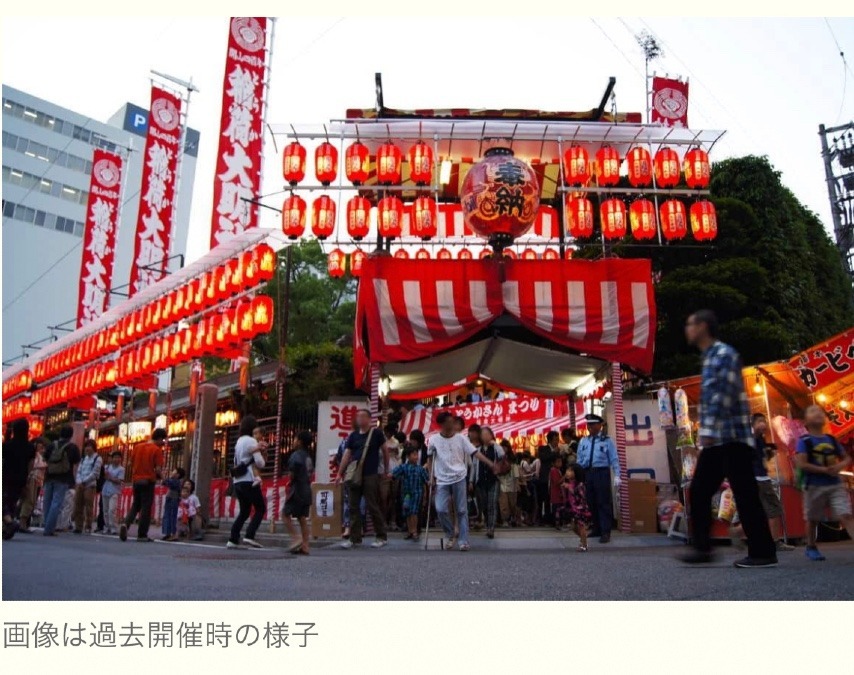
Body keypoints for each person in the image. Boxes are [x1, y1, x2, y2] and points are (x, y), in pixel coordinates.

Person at [682, 309, 777, 567]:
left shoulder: (722, 354)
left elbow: (721, 397)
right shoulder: (711, 356)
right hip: (723, 440)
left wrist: (707, 435)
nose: (687, 329)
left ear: (703, 326)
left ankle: (762, 552)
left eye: (691, 324)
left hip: (730, 439)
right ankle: (703, 548)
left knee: (743, 495)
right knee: (701, 491)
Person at [427, 411, 498, 552]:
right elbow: (430, 459)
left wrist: (490, 463)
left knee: (461, 510)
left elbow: (475, 453)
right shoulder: (434, 440)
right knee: (440, 508)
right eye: (448, 422)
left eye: (452, 421)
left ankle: (463, 540)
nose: (452, 424)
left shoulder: (461, 438)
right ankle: (449, 533)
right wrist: (431, 476)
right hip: (442, 479)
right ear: (442, 425)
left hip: (459, 477)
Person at [795, 405, 854, 562]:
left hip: (835, 484)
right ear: (805, 421)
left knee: (846, 514)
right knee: (812, 518)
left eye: (821, 412)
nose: (818, 414)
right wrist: (824, 470)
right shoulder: (804, 441)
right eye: (813, 411)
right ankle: (811, 546)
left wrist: (838, 467)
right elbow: (802, 463)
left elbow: (847, 458)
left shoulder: (831, 440)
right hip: (813, 485)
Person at [731, 414, 795, 552]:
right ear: (752, 425)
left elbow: (761, 455)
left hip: (760, 478)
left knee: (761, 511)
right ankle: (775, 542)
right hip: (759, 479)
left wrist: (768, 451)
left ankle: (738, 530)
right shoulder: (751, 438)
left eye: (764, 421)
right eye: (760, 421)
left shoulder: (760, 439)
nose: (764, 424)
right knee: (774, 509)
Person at [334, 409, 391, 549]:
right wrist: (339, 473)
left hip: (370, 474)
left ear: (369, 418)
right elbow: (347, 454)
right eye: (358, 416)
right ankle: (354, 538)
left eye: (363, 416)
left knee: (372, 505)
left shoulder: (376, 433)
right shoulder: (353, 436)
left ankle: (381, 536)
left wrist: (386, 469)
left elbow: (385, 450)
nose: (360, 419)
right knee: (353, 505)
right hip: (354, 474)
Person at [576, 414, 622, 543]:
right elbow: (579, 459)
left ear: (599, 425)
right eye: (588, 424)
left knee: (603, 502)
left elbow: (614, 459)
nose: (589, 427)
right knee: (591, 502)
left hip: (601, 472)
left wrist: (617, 475)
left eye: (592, 424)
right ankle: (596, 528)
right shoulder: (584, 441)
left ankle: (605, 531)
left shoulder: (607, 441)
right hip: (588, 473)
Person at [227, 415, 268, 549]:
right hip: (249, 479)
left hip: (238, 480)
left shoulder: (239, 441)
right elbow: (260, 463)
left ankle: (233, 538)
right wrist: (264, 454)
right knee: (261, 508)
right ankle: (249, 535)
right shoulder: (251, 441)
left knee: (244, 511)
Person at [119, 428, 166, 543]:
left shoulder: (137, 447)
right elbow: (158, 469)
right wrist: (165, 479)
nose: (163, 443)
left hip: (136, 480)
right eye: (163, 440)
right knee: (146, 507)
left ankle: (126, 524)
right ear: (159, 438)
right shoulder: (156, 450)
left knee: (136, 505)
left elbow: (131, 463)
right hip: (148, 481)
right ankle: (142, 534)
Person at [42, 426, 81, 537]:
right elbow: (76, 463)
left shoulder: (51, 445)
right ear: (71, 435)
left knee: (47, 502)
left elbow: (45, 458)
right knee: (56, 503)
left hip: (49, 476)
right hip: (64, 478)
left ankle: (46, 525)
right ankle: (49, 529)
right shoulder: (72, 447)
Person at [2, 419, 35, 540]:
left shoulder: (7, 445)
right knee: (11, 502)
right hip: (21, 478)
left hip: (6, 476)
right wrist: (27, 477)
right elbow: (30, 465)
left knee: (4, 500)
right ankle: (7, 527)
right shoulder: (30, 447)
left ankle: (10, 523)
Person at [284, 431, 314, 555]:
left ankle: (296, 538)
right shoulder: (308, 456)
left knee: (285, 514)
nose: (293, 441)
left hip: (297, 489)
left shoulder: (296, 455)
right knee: (302, 518)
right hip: (306, 488)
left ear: (300, 442)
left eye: (295, 439)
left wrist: (290, 480)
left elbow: (292, 473)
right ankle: (305, 546)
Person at [471, 426, 503, 538]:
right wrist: (471, 480)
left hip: (493, 480)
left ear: (491, 435)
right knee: (483, 505)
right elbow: (474, 466)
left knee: (492, 504)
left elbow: (502, 454)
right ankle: (487, 524)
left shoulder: (495, 448)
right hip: (480, 482)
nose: (485, 436)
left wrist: (495, 443)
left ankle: (491, 528)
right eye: (483, 434)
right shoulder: (478, 450)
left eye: (487, 434)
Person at [393, 445, 429, 540]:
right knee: (407, 512)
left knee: (414, 512)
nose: (416, 457)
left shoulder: (420, 469)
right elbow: (394, 473)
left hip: (417, 493)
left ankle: (414, 531)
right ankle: (410, 530)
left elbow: (427, 480)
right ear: (408, 456)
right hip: (406, 494)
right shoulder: (404, 467)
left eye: (417, 454)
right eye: (414, 455)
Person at [559, 463, 592, 552]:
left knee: (581, 526)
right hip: (573, 508)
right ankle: (583, 539)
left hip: (580, 509)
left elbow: (581, 496)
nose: (567, 473)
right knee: (574, 527)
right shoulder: (570, 483)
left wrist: (569, 488)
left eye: (570, 471)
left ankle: (584, 545)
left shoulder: (580, 485)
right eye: (567, 470)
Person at [72, 439, 102, 534]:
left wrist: (84, 481)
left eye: (89, 446)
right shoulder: (83, 459)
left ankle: (88, 525)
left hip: (90, 485)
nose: (87, 448)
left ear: (93, 448)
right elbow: (79, 471)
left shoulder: (97, 458)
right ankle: (78, 526)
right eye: (86, 446)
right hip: (80, 484)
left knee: (88, 506)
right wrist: (79, 481)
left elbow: (95, 473)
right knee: (78, 505)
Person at [18, 437, 48, 533]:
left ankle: (23, 522)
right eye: (40, 445)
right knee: (29, 500)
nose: (42, 447)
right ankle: (22, 522)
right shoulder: (34, 454)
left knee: (32, 500)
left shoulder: (40, 455)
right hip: (32, 477)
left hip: (38, 479)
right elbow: (34, 465)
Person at [536, 431, 560, 525]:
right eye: (555, 440)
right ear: (550, 440)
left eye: (558, 440)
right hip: (545, 478)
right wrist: (554, 452)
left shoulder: (558, 450)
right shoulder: (543, 448)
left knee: (554, 499)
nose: (557, 442)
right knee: (545, 499)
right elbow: (543, 458)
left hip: (555, 478)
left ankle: (554, 518)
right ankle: (544, 518)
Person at [498, 439, 521, 527]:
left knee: (512, 503)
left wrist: (517, 482)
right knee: (503, 503)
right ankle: (505, 520)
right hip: (501, 482)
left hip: (512, 482)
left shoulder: (512, 458)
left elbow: (515, 470)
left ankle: (513, 517)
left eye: (505, 447)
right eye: (502, 447)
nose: (504, 449)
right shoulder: (498, 457)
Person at [101, 451, 124, 535]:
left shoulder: (121, 469)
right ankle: (106, 527)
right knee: (105, 510)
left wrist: (110, 478)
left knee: (111, 510)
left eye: (118, 457)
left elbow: (120, 481)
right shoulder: (107, 467)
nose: (117, 459)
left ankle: (113, 527)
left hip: (114, 491)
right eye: (115, 457)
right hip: (105, 490)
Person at [160, 467, 185, 541]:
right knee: (167, 515)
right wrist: (164, 477)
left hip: (173, 499)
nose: (172, 471)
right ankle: (167, 533)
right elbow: (163, 482)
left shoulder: (177, 481)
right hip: (170, 498)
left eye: (174, 471)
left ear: (177, 475)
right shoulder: (173, 480)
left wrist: (164, 476)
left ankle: (173, 534)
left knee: (171, 516)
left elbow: (167, 482)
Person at [520, 451, 540, 525]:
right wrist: (534, 473)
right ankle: (529, 519)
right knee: (530, 502)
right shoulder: (525, 463)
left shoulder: (521, 462)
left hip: (524, 483)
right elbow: (529, 471)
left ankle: (527, 519)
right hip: (528, 482)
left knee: (527, 502)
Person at [549, 454, 566, 530]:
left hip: (558, 492)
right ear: (553, 463)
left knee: (559, 508)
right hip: (556, 493)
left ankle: (559, 523)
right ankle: (557, 523)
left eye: (560, 462)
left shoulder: (557, 470)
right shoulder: (553, 470)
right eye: (558, 462)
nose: (560, 463)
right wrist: (564, 477)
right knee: (556, 509)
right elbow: (556, 482)